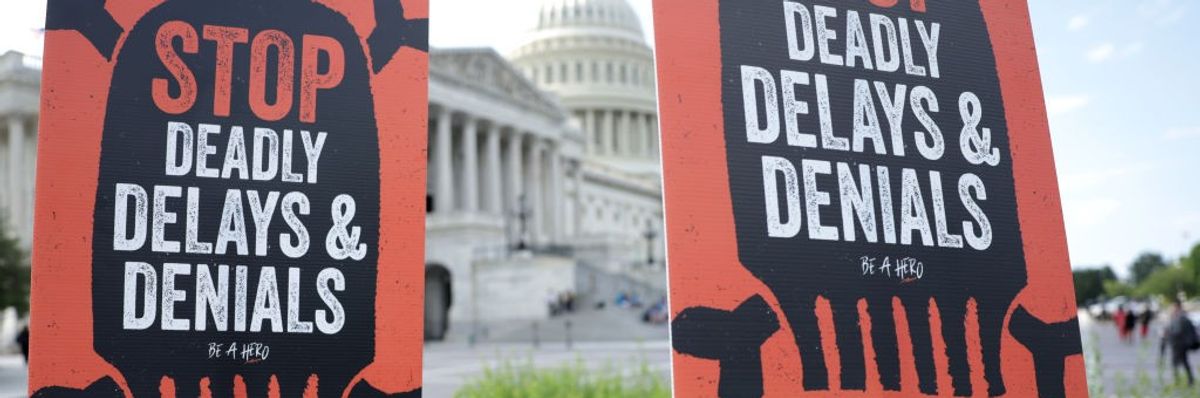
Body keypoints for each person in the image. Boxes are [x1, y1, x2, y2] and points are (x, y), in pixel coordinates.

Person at [1161, 299, 1198, 386]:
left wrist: (1167, 333)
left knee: (1176, 362)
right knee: (1184, 362)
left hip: (1178, 344)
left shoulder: (1179, 317)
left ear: (1177, 306)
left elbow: (1177, 331)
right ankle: (1189, 379)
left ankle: (1178, 380)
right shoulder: (1182, 316)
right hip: (1181, 344)